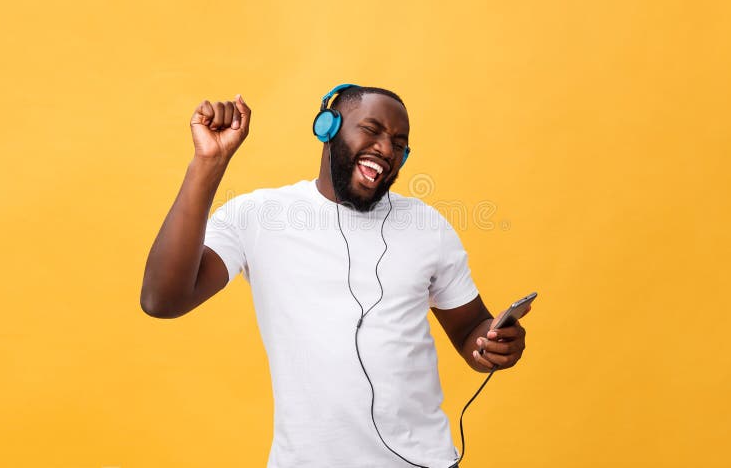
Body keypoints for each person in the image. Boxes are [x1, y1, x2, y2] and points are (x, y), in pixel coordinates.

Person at [140, 85, 529, 468]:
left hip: (423, 462)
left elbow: (470, 331)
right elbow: (163, 299)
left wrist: (493, 345)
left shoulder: (428, 226)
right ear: (328, 128)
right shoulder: (258, 216)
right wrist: (208, 164)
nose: (386, 149)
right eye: (372, 130)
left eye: (399, 142)